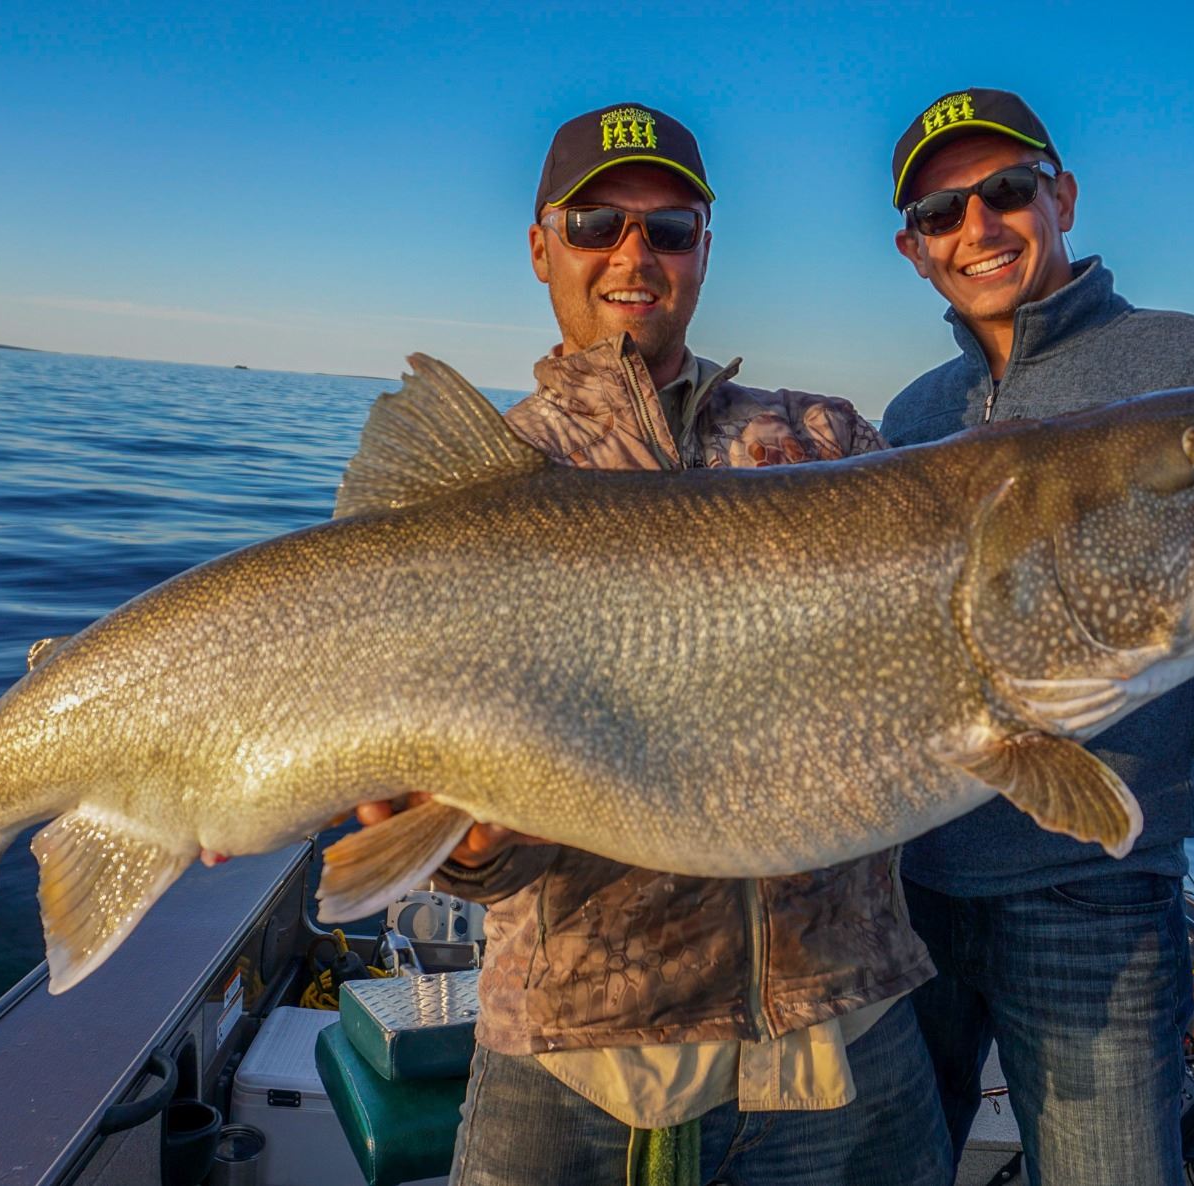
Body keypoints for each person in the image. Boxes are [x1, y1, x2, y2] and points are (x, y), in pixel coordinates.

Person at [357, 102, 951, 1186]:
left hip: (843, 1047)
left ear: (703, 250)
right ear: (542, 245)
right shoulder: (477, 482)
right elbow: (476, 855)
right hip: (578, 1070)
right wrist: (467, 849)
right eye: (597, 225)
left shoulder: (828, 441)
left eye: (669, 227)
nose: (634, 255)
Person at [880, 86, 1194, 1184]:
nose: (978, 226)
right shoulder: (912, 416)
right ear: (914, 249)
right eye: (941, 212)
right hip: (910, 900)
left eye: (1006, 190)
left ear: (1061, 195)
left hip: (1094, 904)